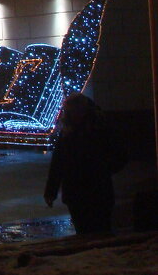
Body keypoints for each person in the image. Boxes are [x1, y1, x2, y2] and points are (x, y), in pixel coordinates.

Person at [44, 92, 126, 234]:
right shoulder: (92, 129)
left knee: (93, 229)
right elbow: (58, 163)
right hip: (87, 190)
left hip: (89, 190)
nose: (74, 115)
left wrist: (103, 169)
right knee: (95, 229)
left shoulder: (80, 132)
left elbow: (59, 163)